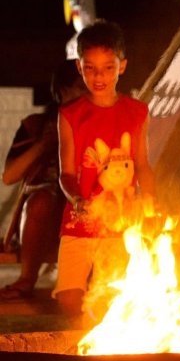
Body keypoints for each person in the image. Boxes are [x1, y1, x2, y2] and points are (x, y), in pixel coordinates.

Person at [55, 19, 155, 326]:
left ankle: (102, 345)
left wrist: (151, 209)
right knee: (69, 298)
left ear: (122, 66)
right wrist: (77, 199)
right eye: (91, 68)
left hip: (119, 223)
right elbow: (66, 173)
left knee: (111, 299)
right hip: (79, 223)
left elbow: (142, 165)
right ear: (79, 67)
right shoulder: (70, 115)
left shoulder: (136, 112)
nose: (99, 76)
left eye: (108, 68)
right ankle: (81, 342)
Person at [1, 61, 85, 300]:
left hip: (83, 211)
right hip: (42, 221)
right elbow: (9, 176)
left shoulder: (98, 124)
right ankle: (26, 279)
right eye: (82, 87)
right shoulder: (35, 126)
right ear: (63, 91)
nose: (89, 94)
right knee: (42, 201)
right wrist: (44, 145)